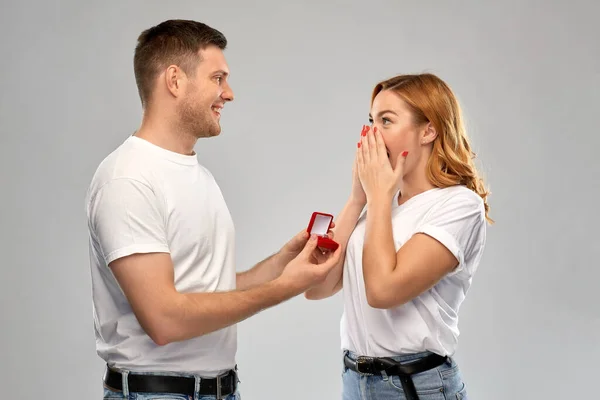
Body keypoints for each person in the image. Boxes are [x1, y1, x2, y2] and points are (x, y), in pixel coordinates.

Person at [84, 19, 341, 400]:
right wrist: (283, 289)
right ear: (174, 81)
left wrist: (282, 264)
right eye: (217, 78)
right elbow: (165, 319)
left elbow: (207, 291)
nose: (229, 93)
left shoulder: (198, 175)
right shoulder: (128, 180)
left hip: (218, 390)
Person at [305, 73, 492, 400]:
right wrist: (356, 200)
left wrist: (377, 198)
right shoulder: (378, 209)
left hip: (413, 386)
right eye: (370, 120)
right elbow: (316, 287)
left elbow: (382, 290)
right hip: (355, 381)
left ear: (428, 131)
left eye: (386, 121)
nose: (370, 134)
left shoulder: (459, 205)